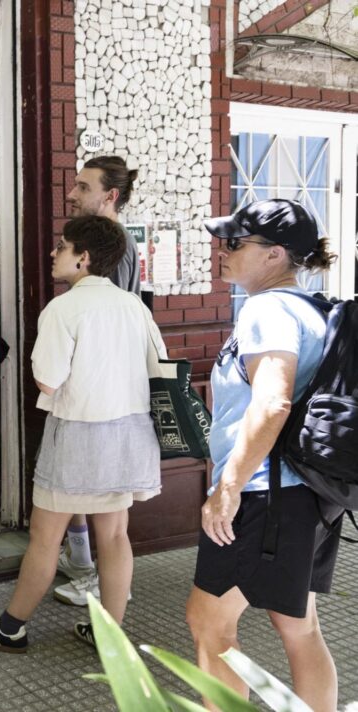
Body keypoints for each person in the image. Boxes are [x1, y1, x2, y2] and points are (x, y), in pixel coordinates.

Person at [0, 215, 165, 653]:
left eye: (62, 247)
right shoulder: (135, 306)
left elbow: (48, 381)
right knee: (114, 535)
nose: (54, 254)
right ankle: (110, 634)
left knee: (46, 538)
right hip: (129, 434)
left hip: (78, 436)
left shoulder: (62, 309)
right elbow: (159, 369)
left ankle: (10, 627)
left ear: (83, 258)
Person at [187, 199, 341, 711]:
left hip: (263, 494)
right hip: (308, 493)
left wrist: (227, 486)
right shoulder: (312, 308)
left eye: (235, 243)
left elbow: (272, 400)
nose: (222, 252)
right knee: (298, 624)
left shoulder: (267, 308)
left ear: (275, 254)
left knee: (209, 624)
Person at [54, 155, 142, 607]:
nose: (72, 194)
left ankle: (95, 581)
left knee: (103, 505)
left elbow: (113, 332)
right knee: (85, 493)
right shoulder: (101, 243)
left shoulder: (118, 250)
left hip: (103, 403)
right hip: (93, 397)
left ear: (110, 196)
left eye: (83, 187)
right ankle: (84, 565)